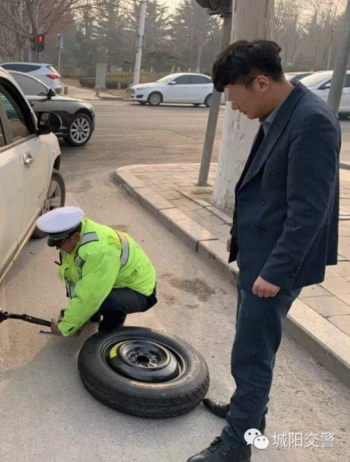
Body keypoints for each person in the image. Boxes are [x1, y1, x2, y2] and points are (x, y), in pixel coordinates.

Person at [188, 40, 340, 462]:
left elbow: (309, 211)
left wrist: (274, 272)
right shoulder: (278, 111)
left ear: (260, 82)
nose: (234, 108)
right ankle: (249, 413)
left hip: (276, 265)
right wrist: (239, 234)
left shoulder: (313, 122)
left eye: (235, 98)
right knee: (251, 345)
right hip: (259, 252)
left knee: (251, 355)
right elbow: (262, 184)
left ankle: (237, 445)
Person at [35, 206, 157, 337]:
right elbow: (76, 280)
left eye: (60, 245)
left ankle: (109, 335)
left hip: (139, 289)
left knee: (109, 302)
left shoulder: (98, 252)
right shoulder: (78, 236)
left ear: (75, 237)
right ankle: (91, 315)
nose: (59, 249)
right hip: (113, 278)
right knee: (91, 295)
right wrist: (78, 319)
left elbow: (91, 295)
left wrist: (66, 327)